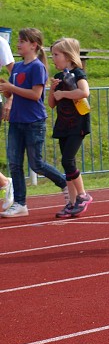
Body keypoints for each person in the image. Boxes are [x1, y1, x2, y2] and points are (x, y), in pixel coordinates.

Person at [0, 28, 70, 218]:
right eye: (18, 41)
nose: (18, 44)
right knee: (14, 163)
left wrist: (11, 87)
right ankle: (20, 203)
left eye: (22, 41)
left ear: (33, 45)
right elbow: (11, 93)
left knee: (36, 164)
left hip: (33, 122)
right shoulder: (17, 67)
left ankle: (65, 184)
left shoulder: (37, 67)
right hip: (16, 120)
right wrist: (5, 88)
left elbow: (35, 94)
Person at [48, 38, 93, 218]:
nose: (53, 58)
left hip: (77, 123)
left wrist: (63, 93)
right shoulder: (58, 76)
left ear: (67, 55)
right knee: (67, 164)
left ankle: (83, 195)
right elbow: (52, 103)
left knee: (68, 160)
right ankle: (72, 203)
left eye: (56, 55)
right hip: (63, 125)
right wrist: (52, 90)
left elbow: (84, 92)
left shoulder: (77, 73)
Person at [0, 34, 15, 210]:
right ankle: (5, 182)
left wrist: (11, 99)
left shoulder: (0, 42)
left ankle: (5, 182)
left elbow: (17, 75)